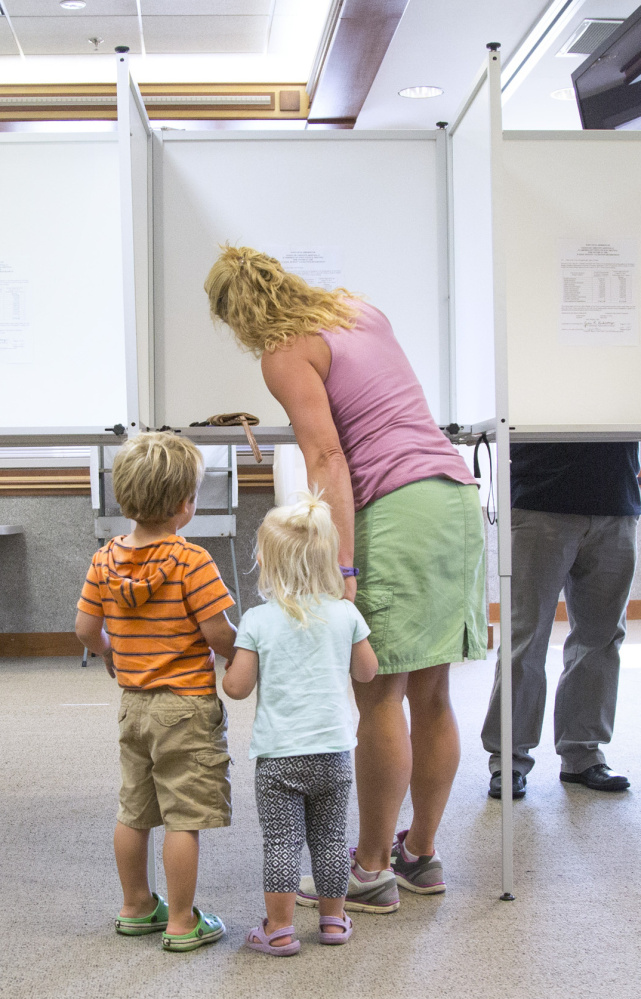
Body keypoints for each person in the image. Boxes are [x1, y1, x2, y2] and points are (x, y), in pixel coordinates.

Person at [205, 245, 487, 912]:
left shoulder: (284, 351)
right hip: (452, 495)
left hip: (395, 506)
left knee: (379, 695)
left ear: (237, 316)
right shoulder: (358, 308)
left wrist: (342, 566)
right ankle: (417, 853)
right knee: (434, 691)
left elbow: (327, 456)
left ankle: (366, 870)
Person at [75, 431, 238, 952]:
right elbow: (217, 635)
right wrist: (243, 649)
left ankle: (136, 906)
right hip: (186, 707)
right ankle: (183, 921)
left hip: (133, 706)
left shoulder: (105, 560)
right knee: (183, 817)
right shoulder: (193, 562)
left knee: (135, 809)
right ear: (185, 505)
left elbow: (83, 630)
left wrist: (109, 651)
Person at [223, 492, 378, 954]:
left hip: (279, 760)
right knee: (331, 839)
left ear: (266, 562)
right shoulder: (346, 614)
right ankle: (332, 921)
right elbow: (367, 671)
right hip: (333, 751)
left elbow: (236, 687)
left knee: (282, 844)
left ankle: (280, 928)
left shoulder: (257, 620)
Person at [481, 442, 640, 799]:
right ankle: (509, 759)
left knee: (602, 637)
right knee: (526, 636)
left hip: (616, 499)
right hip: (541, 499)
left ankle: (583, 754)